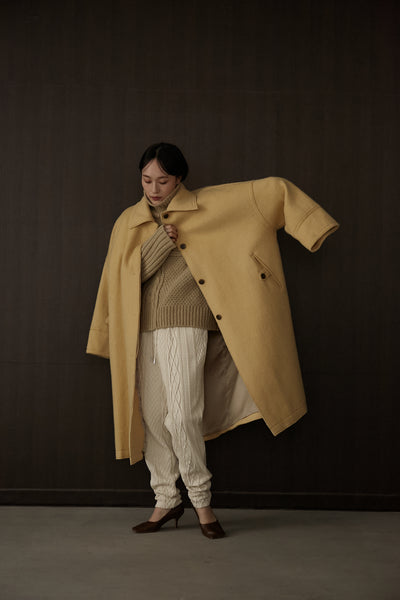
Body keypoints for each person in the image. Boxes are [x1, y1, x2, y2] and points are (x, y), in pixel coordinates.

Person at [87, 142, 339, 539]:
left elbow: (273, 190)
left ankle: (202, 502)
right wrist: (158, 244)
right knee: (152, 418)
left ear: (179, 179)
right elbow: (117, 282)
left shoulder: (210, 206)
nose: (153, 189)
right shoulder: (128, 221)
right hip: (140, 329)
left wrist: (312, 225)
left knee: (182, 416)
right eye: (146, 180)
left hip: (187, 323)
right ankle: (166, 499)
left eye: (162, 180)